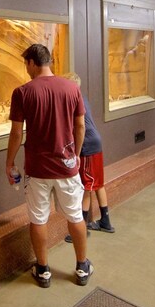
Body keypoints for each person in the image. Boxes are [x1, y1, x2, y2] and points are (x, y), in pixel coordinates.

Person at [6, 44, 94, 287]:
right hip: (67, 167)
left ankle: (43, 270)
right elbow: (80, 126)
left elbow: (16, 134)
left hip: (37, 170)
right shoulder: (71, 88)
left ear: (33, 62)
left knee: (38, 219)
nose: (26, 70)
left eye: (26, 64)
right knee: (75, 216)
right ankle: (81, 267)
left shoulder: (22, 92)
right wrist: (75, 155)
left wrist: (10, 162)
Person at [61, 72, 114, 245]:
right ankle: (105, 221)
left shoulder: (73, 101)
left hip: (88, 147)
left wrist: (75, 152)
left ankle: (82, 227)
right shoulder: (82, 98)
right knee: (97, 184)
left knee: (87, 186)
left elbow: (79, 126)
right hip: (95, 144)